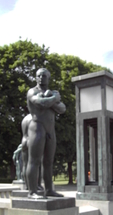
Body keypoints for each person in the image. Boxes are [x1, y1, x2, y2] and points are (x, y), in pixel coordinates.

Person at [24, 68, 66, 199]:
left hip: (50, 129)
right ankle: (32, 192)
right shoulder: (32, 91)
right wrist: (53, 99)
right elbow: (40, 103)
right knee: (34, 161)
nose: (41, 78)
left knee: (48, 162)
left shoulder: (52, 93)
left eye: (44, 76)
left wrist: (50, 99)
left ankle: (49, 190)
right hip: (37, 127)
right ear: (36, 78)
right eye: (39, 76)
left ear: (48, 77)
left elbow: (62, 109)